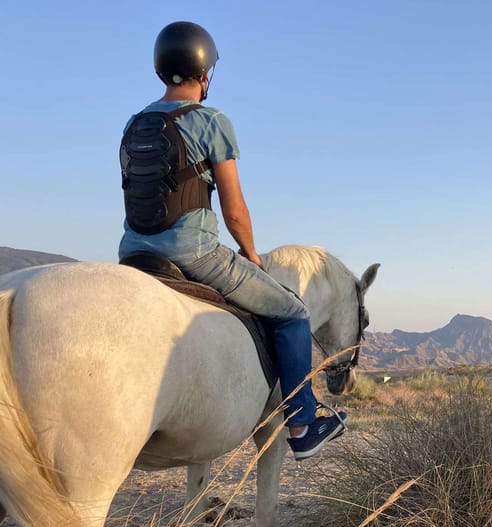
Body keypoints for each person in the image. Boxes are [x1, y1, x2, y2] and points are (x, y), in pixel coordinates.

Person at [118, 21, 346, 459]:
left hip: (133, 252)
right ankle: (302, 425)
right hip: (195, 253)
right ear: (205, 74)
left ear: (162, 69)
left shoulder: (133, 124)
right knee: (292, 312)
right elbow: (234, 210)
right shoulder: (211, 121)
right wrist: (250, 253)